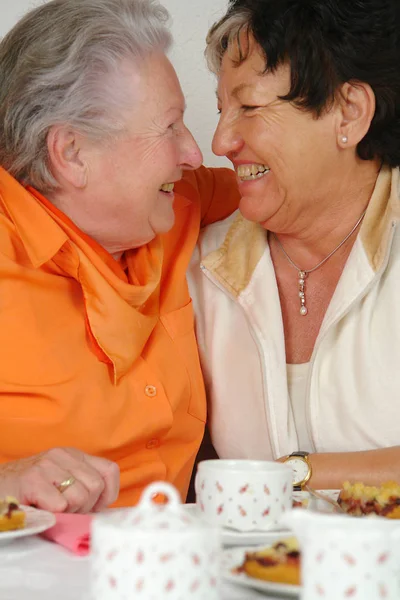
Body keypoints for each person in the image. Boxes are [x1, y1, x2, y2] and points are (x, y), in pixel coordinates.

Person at [0, 0, 239, 513]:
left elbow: (306, 186)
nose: (195, 152)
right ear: (72, 154)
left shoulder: (176, 201)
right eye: (170, 126)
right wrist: (7, 481)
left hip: (168, 567)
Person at [188, 0, 400, 490]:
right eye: (222, 110)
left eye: (251, 106)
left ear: (349, 113)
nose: (220, 142)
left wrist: (295, 477)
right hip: (253, 567)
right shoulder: (201, 267)